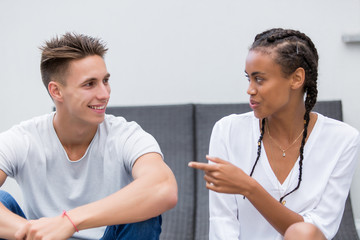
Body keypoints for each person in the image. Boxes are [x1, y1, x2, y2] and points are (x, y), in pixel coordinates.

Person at [0, 32, 178, 240]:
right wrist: (33, 232)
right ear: (56, 91)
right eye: (89, 84)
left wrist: (70, 221)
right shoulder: (24, 139)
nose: (104, 94)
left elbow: (162, 188)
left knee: (143, 208)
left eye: (105, 80)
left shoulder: (126, 135)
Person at [189, 28, 360, 240]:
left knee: (302, 232)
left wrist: (249, 187)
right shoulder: (228, 131)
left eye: (259, 79)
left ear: (297, 79)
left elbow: (317, 232)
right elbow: (222, 223)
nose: (250, 89)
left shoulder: (343, 140)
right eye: (248, 79)